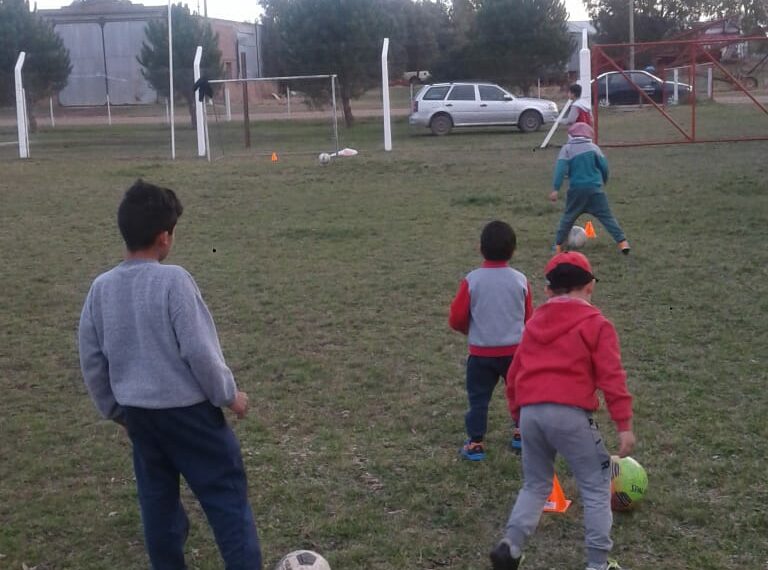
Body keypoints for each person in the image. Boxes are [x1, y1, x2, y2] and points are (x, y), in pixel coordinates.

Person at [78, 179, 262, 570]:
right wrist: (229, 395)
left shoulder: (101, 289)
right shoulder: (173, 281)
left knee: (157, 504)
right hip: (191, 417)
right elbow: (199, 352)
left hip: (139, 416)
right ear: (164, 237)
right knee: (225, 498)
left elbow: (92, 360)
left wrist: (117, 412)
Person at [489, 251, 636, 570]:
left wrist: (518, 413)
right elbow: (612, 377)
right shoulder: (597, 324)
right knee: (597, 485)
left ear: (548, 291)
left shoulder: (533, 324)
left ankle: (510, 546)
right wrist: (623, 423)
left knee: (536, 483)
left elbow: (514, 374)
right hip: (570, 415)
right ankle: (598, 564)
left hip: (530, 413)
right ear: (590, 287)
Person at [449, 220, 533, 461]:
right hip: (515, 353)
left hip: (481, 354)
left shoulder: (472, 280)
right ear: (513, 250)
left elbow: (456, 317)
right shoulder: (520, 280)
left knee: (478, 399)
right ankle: (521, 433)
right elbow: (529, 317)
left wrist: (471, 331)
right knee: (520, 394)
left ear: (480, 248)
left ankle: (476, 443)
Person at [551, 122, 630, 254]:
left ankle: (558, 246)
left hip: (576, 191)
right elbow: (604, 167)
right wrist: (603, 181)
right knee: (607, 218)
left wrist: (555, 189)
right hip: (595, 190)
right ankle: (623, 243)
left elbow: (560, 169)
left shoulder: (567, 149)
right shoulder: (594, 148)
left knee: (568, 218)